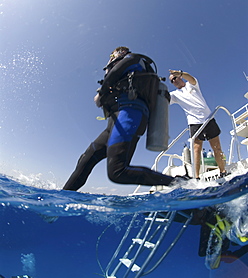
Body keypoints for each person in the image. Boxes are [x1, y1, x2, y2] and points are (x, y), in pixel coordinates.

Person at [63, 47, 179, 191]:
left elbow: (116, 72)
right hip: (114, 121)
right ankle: (60, 200)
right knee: (85, 160)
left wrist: (101, 93)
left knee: (117, 172)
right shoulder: (122, 69)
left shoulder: (133, 58)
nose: (111, 57)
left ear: (122, 53)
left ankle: (179, 183)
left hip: (131, 114)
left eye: (113, 54)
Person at [169, 70, 226, 179]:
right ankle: (196, 177)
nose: (174, 81)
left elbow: (191, 78)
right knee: (196, 150)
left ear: (180, 77)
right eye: (172, 81)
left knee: (217, 147)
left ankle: (223, 171)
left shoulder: (191, 85)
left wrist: (180, 73)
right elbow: (162, 97)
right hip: (194, 123)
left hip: (208, 119)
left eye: (175, 78)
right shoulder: (174, 95)